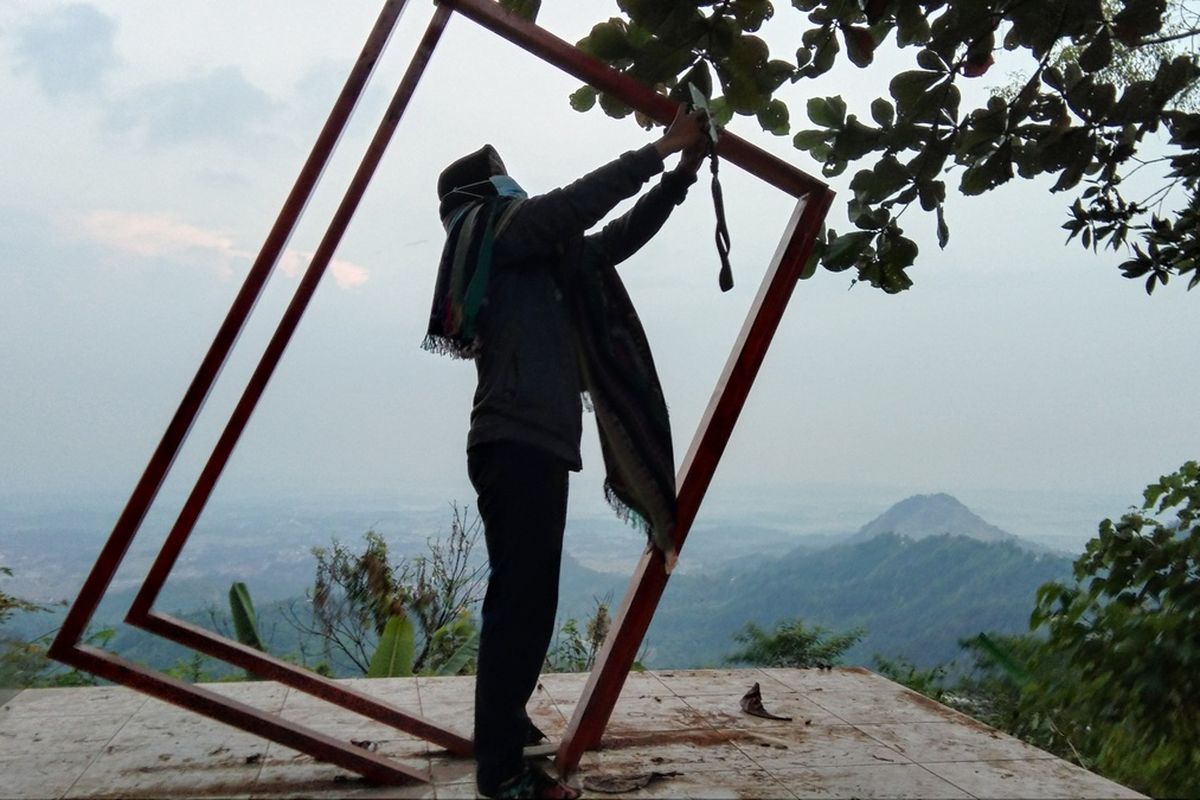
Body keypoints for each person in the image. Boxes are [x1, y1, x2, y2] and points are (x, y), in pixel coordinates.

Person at [425, 107, 709, 799]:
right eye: (505, 182)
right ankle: (500, 773)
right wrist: (659, 148)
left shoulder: (531, 260)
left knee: (527, 600)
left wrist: (680, 176)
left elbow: (614, 239)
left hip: (532, 445)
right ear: (482, 198)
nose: (515, 189)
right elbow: (573, 207)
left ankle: (506, 727)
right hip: (515, 443)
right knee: (521, 603)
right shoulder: (498, 233)